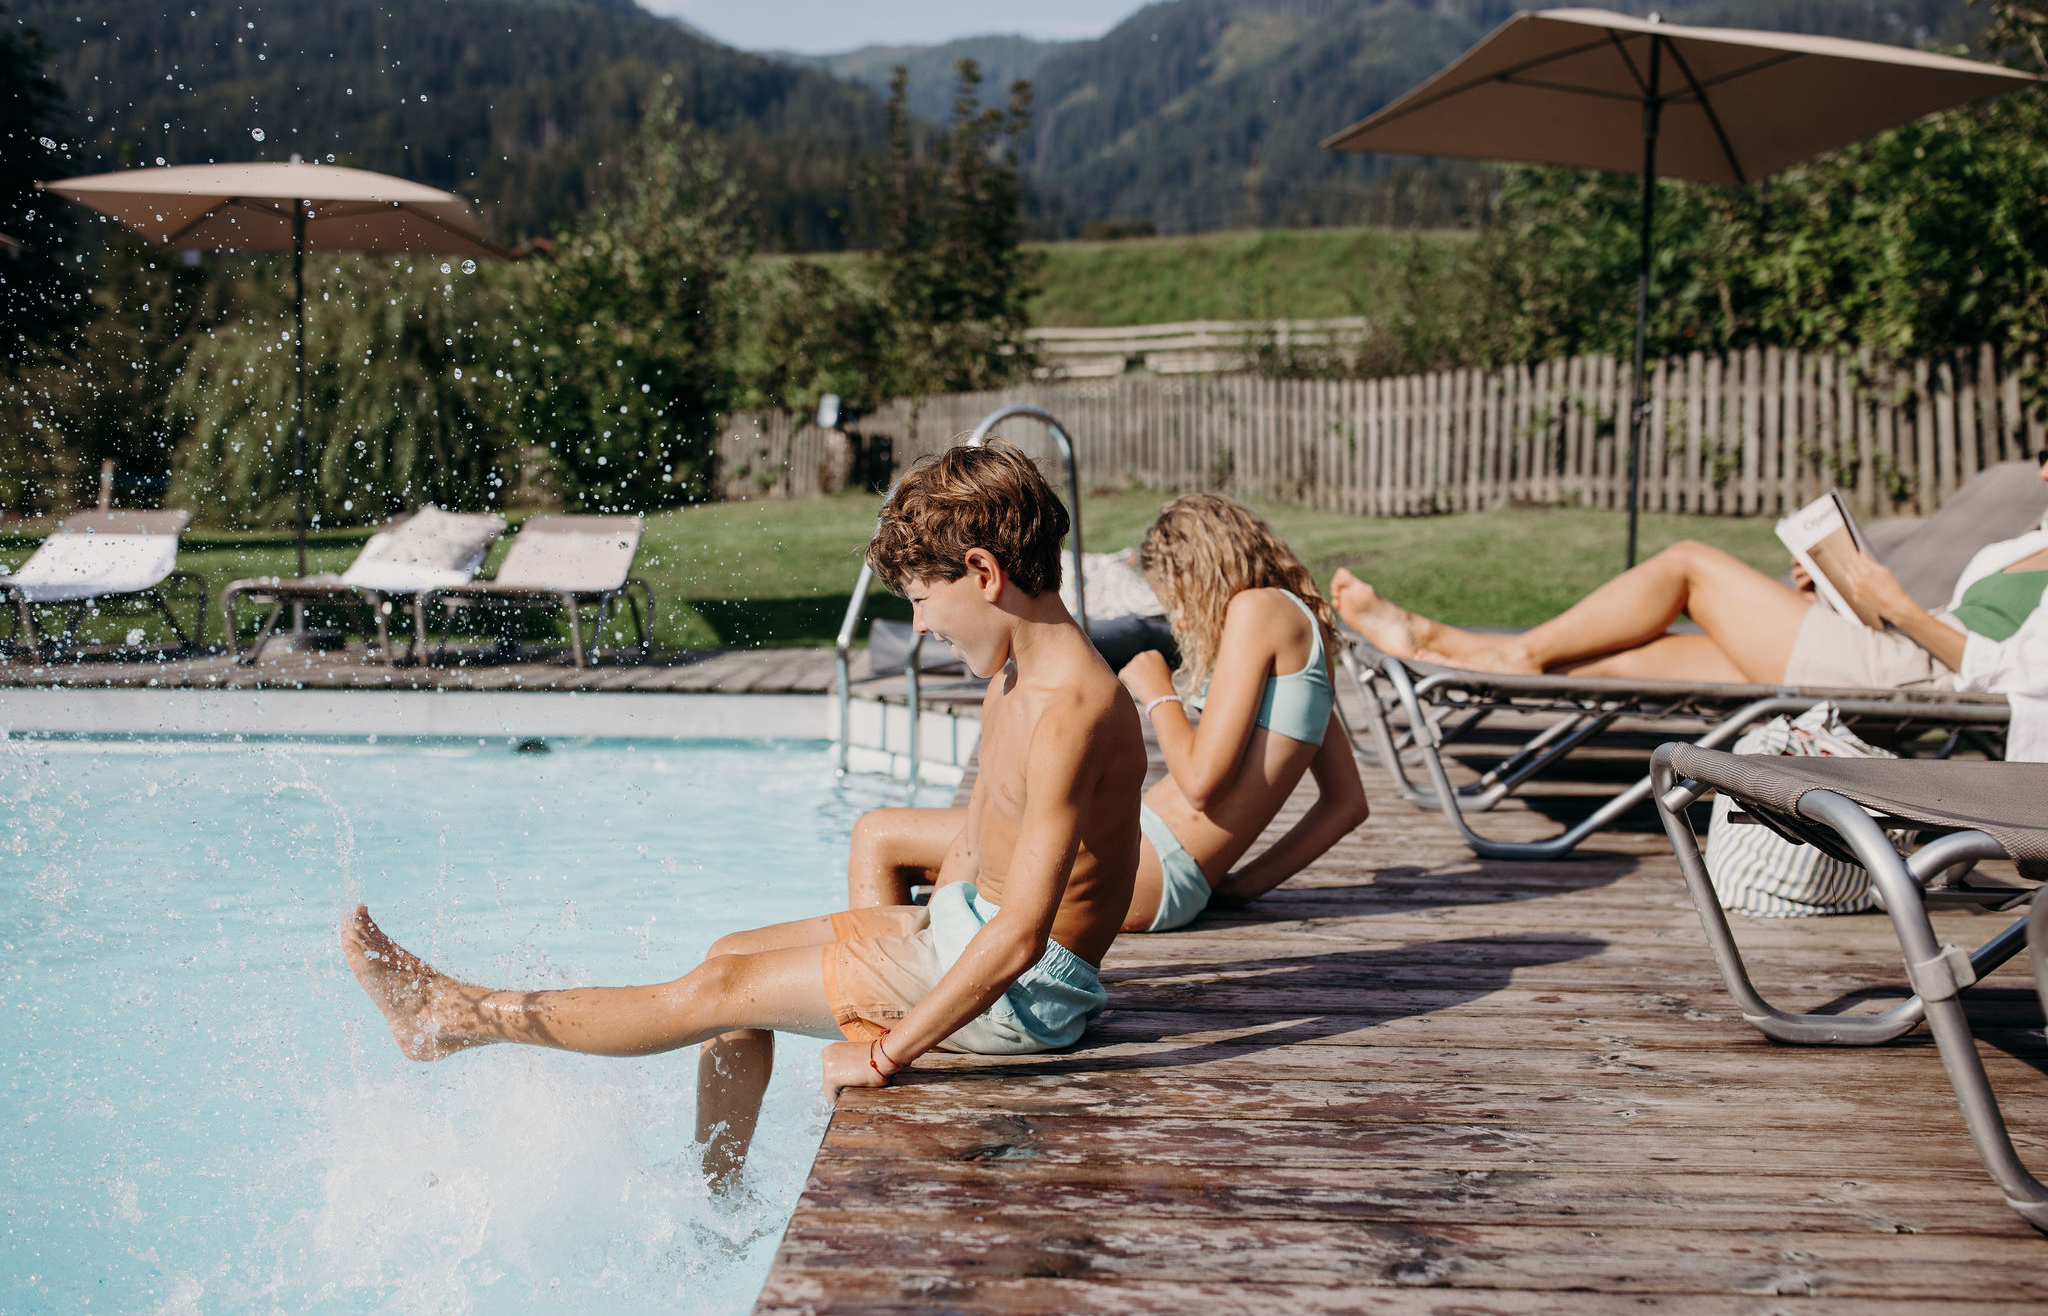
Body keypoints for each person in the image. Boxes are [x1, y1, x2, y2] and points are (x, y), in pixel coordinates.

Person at [341, 440, 1148, 1190]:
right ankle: (717, 1197)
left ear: (981, 571)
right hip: (966, 933)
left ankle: (453, 1015)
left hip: (1026, 995)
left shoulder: (1071, 709)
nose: (921, 626)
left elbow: (1020, 936)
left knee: (723, 988)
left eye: (921, 601)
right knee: (730, 955)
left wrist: (886, 1052)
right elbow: (978, 851)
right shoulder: (1014, 676)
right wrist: (898, 946)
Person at [850, 493, 1368, 934]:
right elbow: (1347, 805)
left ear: (1204, 568)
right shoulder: (1303, 633)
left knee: (881, 837)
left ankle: (884, 1002)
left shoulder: (1258, 609)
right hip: (1165, 864)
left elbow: (1203, 784)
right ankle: (912, 980)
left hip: (1155, 862)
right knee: (939, 853)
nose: (1182, 617)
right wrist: (1233, 885)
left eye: (1178, 595)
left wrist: (1158, 692)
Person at [1328, 450, 2048, 761]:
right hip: (1897, 653)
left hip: (1923, 679)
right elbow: (1948, 635)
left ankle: (1508, 652)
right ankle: (1437, 639)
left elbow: (2011, 673)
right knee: (1628, 654)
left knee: (1689, 566)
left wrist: (1904, 610)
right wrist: (1855, 599)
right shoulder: (2022, 545)